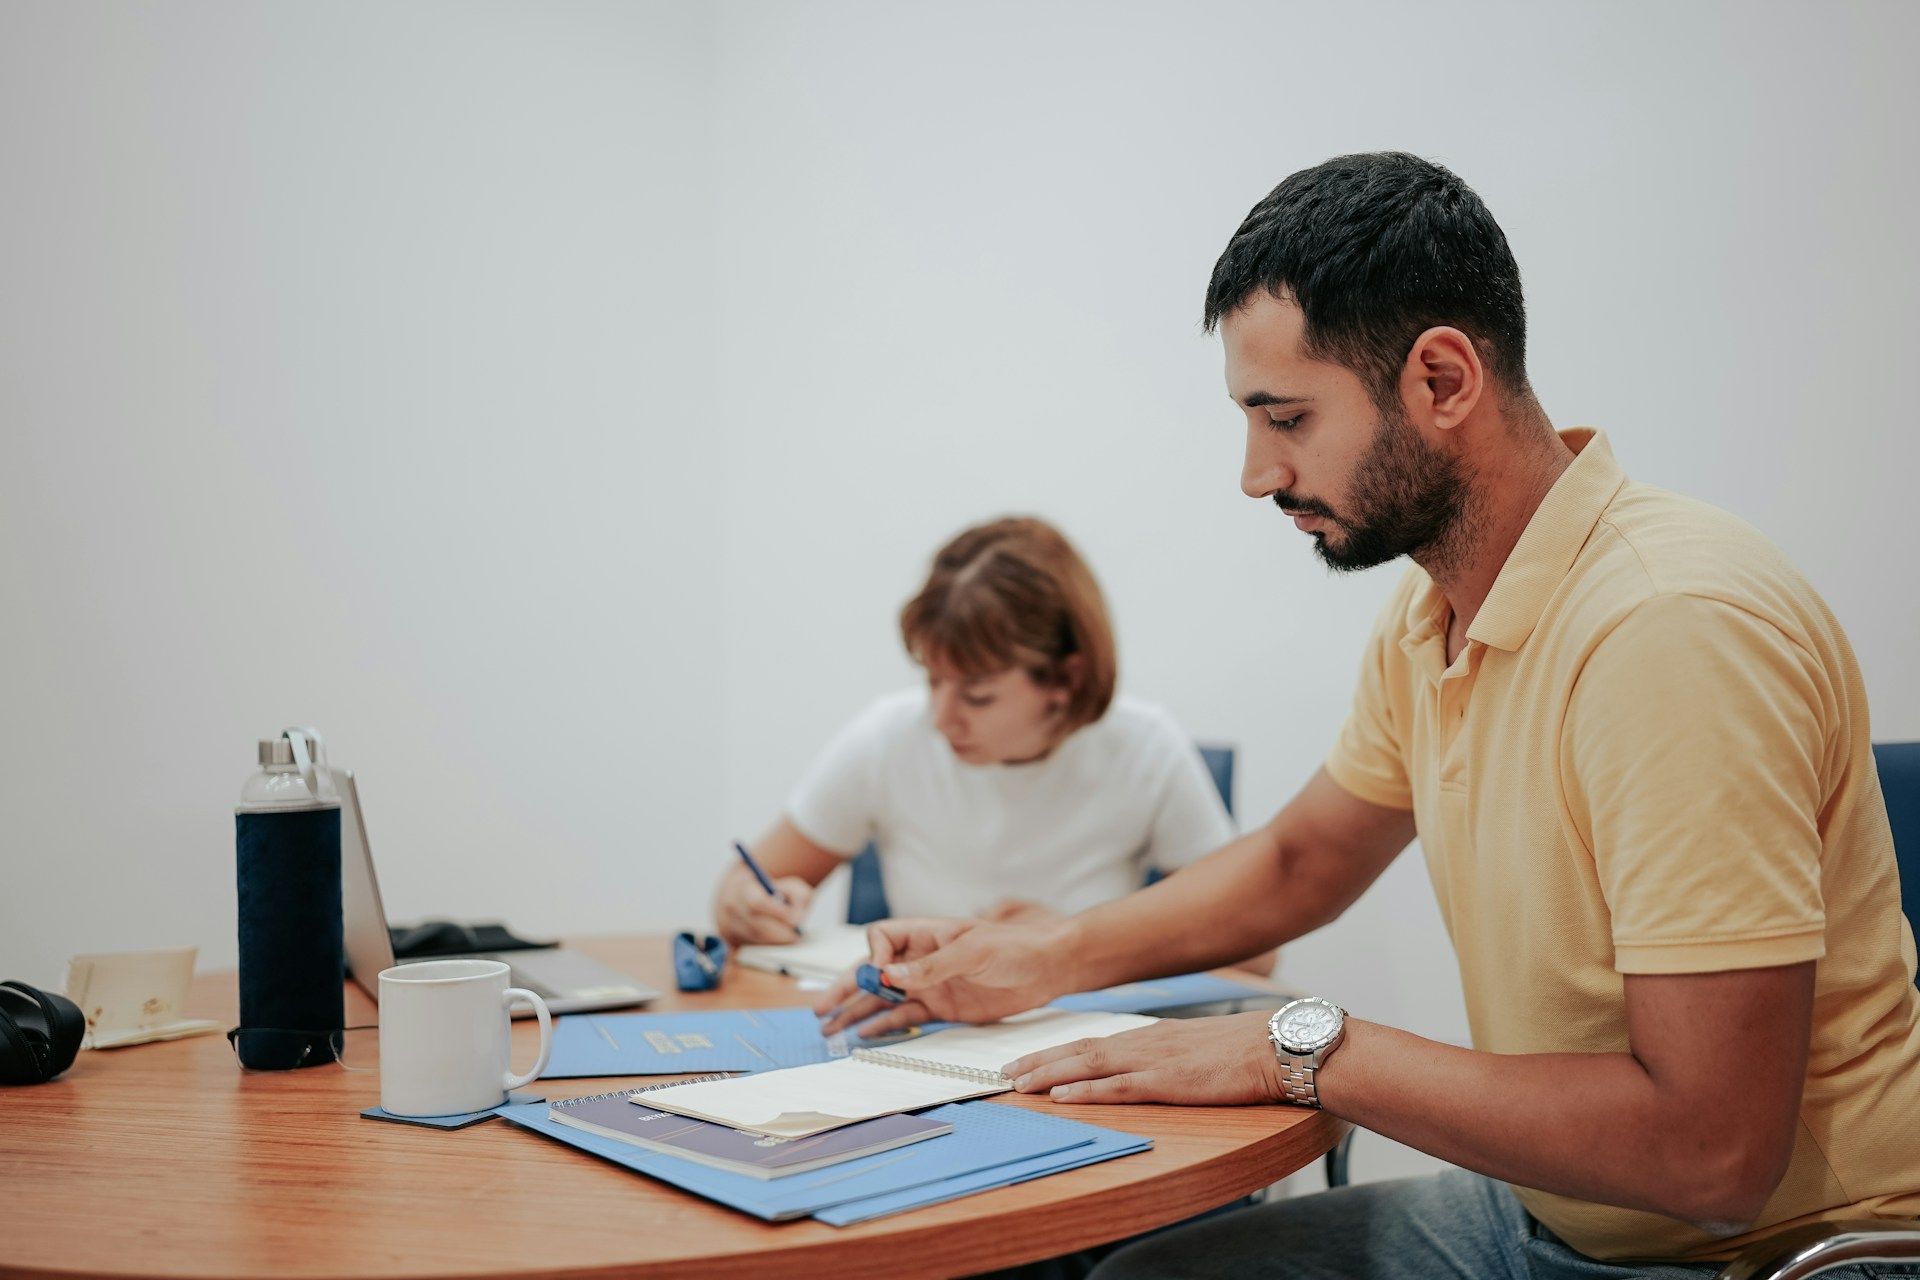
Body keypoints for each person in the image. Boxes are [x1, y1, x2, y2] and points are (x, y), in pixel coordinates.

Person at [820, 153, 1920, 1279]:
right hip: (1562, 1215)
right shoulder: (1431, 609)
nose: (1257, 473)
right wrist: (1046, 951)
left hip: (1774, 1253)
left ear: (1443, 380)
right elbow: (1304, 860)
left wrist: (1300, 1049)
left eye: (1286, 417)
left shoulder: (1668, 631)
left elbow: (1712, 1152)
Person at [713, 516, 1272, 973]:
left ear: (1064, 680)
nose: (941, 718)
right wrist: (745, 906)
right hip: (917, 1035)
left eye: (977, 697)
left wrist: (1070, 944)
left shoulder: (1145, 750)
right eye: (932, 680)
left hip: (1085, 1043)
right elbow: (744, 886)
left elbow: (1256, 954)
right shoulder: (887, 739)